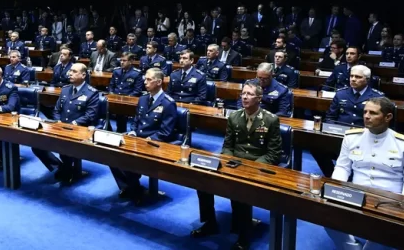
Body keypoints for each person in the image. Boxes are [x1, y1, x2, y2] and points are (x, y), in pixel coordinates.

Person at [191, 82, 282, 250]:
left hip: (257, 166)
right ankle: (210, 223)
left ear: (259, 99)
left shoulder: (270, 120)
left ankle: (244, 236)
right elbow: (227, 146)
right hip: (233, 162)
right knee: (203, 182)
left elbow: (273, 154)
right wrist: (228, 161)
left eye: (249, 94)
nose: (245, 97)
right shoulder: (234, 116)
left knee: (241, 190)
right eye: (243, 94)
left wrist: (250, 168)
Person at [324, 97, 404, 250]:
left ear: (388, 117)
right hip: (356, 195)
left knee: (387, 230)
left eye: (373, 113)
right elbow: (342, 167)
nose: (366, 116)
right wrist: (336, 192)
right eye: (365, 111)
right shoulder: (352, 137)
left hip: (389, 200)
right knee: (325, 215)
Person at [109, 68, 177, 205]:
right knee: (111, 154)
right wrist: (133, 132)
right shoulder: (143, 99)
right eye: (145, 79)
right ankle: (130, 187)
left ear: (158, 82)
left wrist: (148, 140)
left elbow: (165, 132)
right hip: (137, 139)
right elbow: (136, 121)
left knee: (130, 160)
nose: (145, 82)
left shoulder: (168, 103)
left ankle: (134, 190)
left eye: (148, 79)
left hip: (154, 142)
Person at [32, 63, 99, 185]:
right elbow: (57, 110)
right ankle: (61, 167)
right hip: (59, 126)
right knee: (36, 145)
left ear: (83, 75)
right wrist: (58, 121)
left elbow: (90, 116)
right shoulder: (66, 89)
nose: (70, 73)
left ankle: (69, 171)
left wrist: (72, 123)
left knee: (66, 148)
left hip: (78, 130)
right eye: (70, 71)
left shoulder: (92, 93)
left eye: (74, 71)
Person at [315, 65, 385, 176]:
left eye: (357, 77)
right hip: (340, 135)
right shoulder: (341, 94)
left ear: (367, 80)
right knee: (316, 147)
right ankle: (332, 175)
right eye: (351, 76)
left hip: (364, 138)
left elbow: (380, 123)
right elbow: (330, 117)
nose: (353, 79)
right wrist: (333, 130)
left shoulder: (377, 97)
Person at [108, 53, 144, 133]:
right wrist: (111, 94)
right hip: (114, 98)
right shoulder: (116, 71)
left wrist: (126, 98)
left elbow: (137, 91)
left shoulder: (136, 73)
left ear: (131, 61)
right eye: (120, 60)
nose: (121, 62)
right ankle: (108, 129)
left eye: (124, 60)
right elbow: (111, 86)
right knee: (102, 108)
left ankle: (121, 132)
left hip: (128, 99)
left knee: (121, 114)